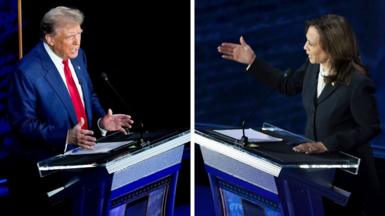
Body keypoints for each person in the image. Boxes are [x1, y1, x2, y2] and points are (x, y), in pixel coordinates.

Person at [218, 14, 383, 216]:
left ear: (331, 47)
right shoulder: (312, 68)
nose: (304, 47)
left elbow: (369, 127)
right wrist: (252, 61)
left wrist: (327, 144)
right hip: (318, 171)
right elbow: (286, 85)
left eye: (311, 43)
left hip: (349, 177)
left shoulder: (358, 83)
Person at [7, 6, 134, 214]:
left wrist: (102, 121)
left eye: (79, 34)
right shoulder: (27, 72)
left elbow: (88, 96)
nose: (77, 42)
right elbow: (23, 125)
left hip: (87, 163)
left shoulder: (78, 56)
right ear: (49, 39)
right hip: (49, 176)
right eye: (70, 37)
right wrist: (66, 136)